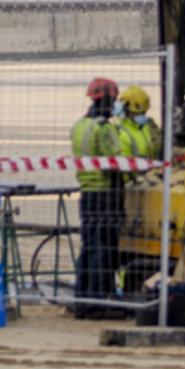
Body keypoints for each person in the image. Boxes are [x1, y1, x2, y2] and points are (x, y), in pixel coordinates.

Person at [71, 77, 122, 317]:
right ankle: (100, 302)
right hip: (104, 194)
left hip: (87, 194)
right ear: (109, 99)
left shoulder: (79, 126)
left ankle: (83, 298)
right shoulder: (104, 128)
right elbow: (115, 161)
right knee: (104, 249)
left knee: (89, 246)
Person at [113, 86, 164, 160]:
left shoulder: (151, 127)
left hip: (152, 169)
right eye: (137, 113)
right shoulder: (118, 130)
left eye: (143, 113)